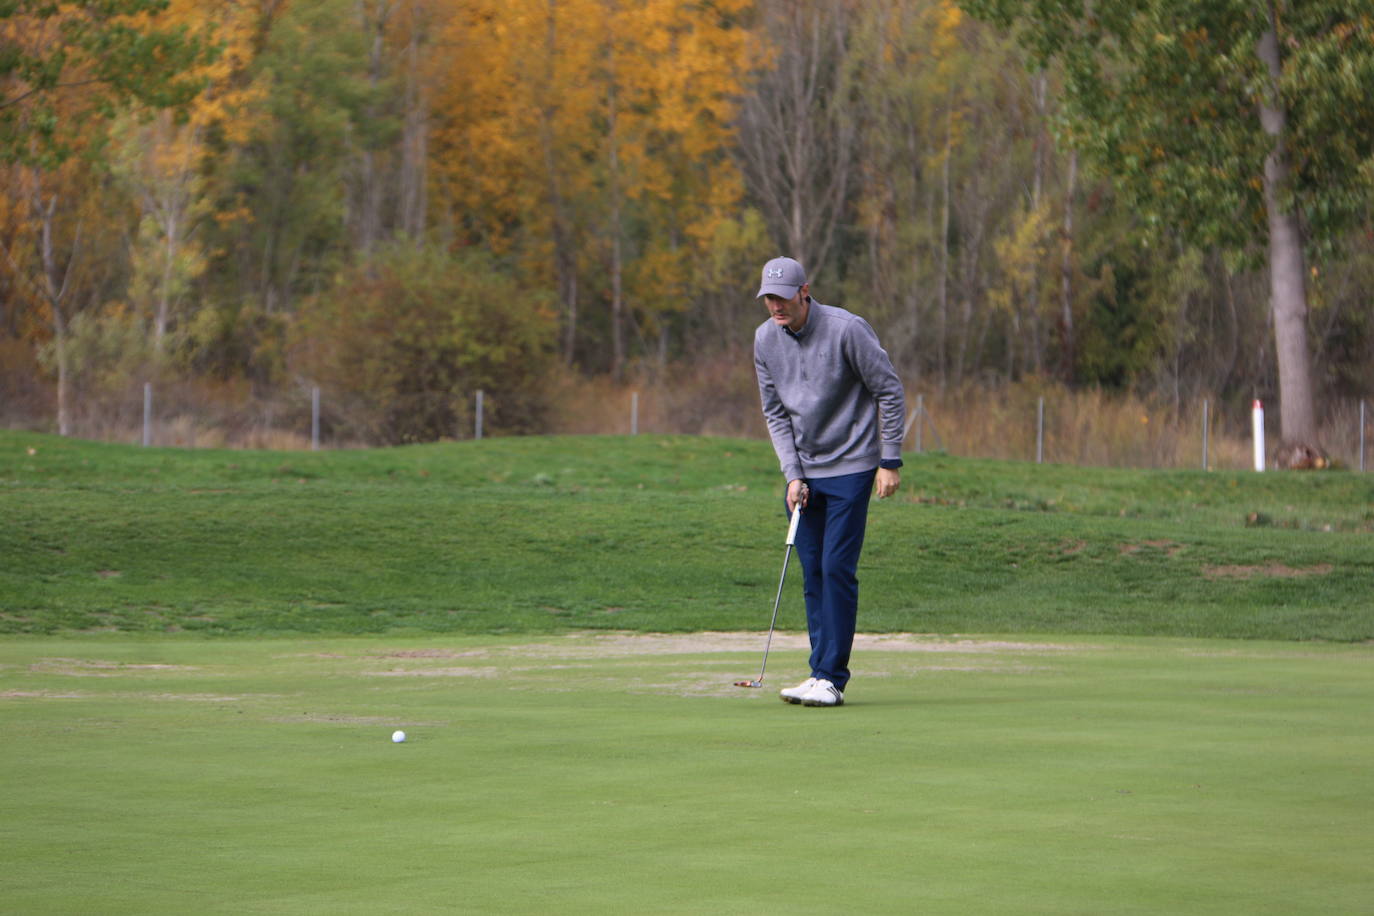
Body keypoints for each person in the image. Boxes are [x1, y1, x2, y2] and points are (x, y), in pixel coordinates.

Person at [752, 256, 906, 707]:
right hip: (805, 473)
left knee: (836, 568)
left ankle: (832, 678)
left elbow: (889, 390)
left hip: (853, 465)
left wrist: (890, 459)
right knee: (813, 572)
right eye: (768, 298)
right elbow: (775, 413)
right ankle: (819, 672)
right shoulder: (764, 340)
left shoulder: (847, 329)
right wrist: (792, 474)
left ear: (805, 291)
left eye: (782, 297)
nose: (775, 306)